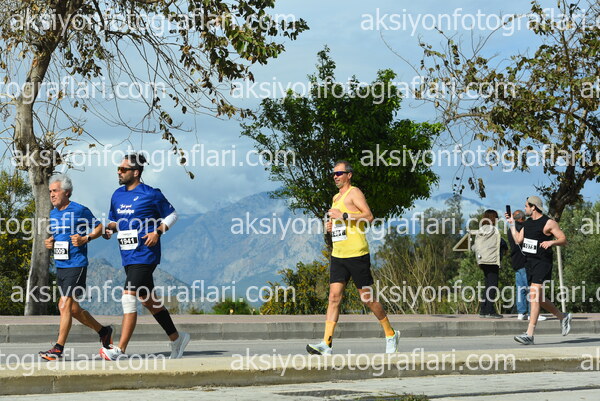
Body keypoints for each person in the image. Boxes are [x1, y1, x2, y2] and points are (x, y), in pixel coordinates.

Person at [99, 153, 189, 360]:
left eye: (123, 169)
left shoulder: (151, 194)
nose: (119, 172)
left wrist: (157, 232)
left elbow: (173, 214)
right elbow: (115, 221)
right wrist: (109, 229)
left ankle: (120, 350)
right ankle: (177, 339)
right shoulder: (117, 195)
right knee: (148, 300)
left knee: (128, 297)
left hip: (145, 253)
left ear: (136, 172)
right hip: (127, 255)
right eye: (118, 169)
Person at [306, 161, 399, 355]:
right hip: (338, 255)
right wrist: (330, 227)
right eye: (333, 174)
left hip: (357, 254)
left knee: (367, 298)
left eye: (339, 173)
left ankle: (390, 334)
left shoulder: (354, 193)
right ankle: (326, 344)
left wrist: (344, 215)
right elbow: (339, 222)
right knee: (333, 298)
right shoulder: (335, 197)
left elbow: (369, 216)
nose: (335, 176)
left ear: (349, 175)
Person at [39, 174, 113, 360]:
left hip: (76, 264)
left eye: (55, 191)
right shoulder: (54, 213)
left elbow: (99, 227)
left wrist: (85, 238)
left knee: (64, 304)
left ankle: (58, 349)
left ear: (67, 192)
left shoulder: (79, 210)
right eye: (50, 191)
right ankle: (103, 331)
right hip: (61, 265)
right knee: (72, 309)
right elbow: (59, 235)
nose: (52, 195)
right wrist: (50, 242)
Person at [506, 196, 572, 345]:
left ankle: (529, 334)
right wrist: (511, 224)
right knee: (539, 298)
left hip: (542, 263)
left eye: (526, 206)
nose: (524, 208)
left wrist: (551, 242)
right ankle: (563, 317)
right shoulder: (527, 224)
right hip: (529, 263)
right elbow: (518, 240)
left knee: (534, 295)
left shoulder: (549, 223)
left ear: (533, 207)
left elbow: (563, 239)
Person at [507, 209, 546, 321]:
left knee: (520, 288)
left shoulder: (510, 229)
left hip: (516, 261)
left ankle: (521, 312)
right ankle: (531, 313)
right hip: (526, 260)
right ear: (521, 218)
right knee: (531, 288)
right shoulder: (525, 227)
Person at [471, 209, 507, 319]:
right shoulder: (493, 230)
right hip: (492, 261)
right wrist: (505, 247)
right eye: (496, 218)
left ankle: (483, 309)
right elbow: (500, 242)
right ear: (493, 218)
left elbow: (475, 246)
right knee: (492, 285)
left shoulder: (480, 230)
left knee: (487, 285)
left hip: (482, 260)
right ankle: (490, 310)